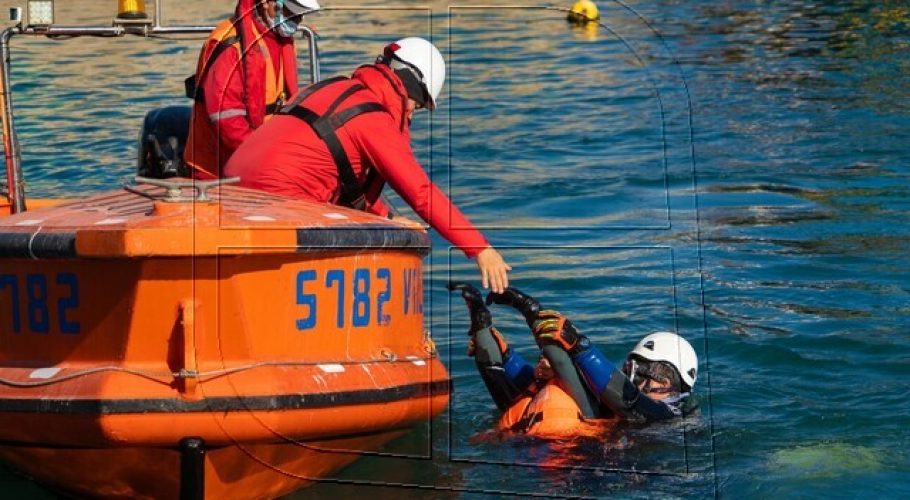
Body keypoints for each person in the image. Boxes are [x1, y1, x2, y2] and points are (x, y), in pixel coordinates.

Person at [225, 37, 511, 292]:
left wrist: (383, 217)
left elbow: (334, 170)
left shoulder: (333, 87)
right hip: (279, 202)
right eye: (418, 105)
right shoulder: (373, 117)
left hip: (230, 190)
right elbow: (420, 192)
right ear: (410, 83)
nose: (412, 114)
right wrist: (479, 248)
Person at [449, 283, 697, 435]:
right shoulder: (613, 408)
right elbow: (536, 382)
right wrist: (504, 352)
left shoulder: (672, 419)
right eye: (634, 368)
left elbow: (630, 402)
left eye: (652, 374)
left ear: (677, 384)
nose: (637, 379)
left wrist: (580, 345)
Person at [185, 0, 320, 178]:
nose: (297, 20)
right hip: (217, 170)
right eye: (290, 13)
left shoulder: (277, 36)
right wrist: (263, 157)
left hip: (261, 156)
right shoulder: (230, 45)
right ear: (266, 3)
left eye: (299, 15)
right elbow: (226, 117)